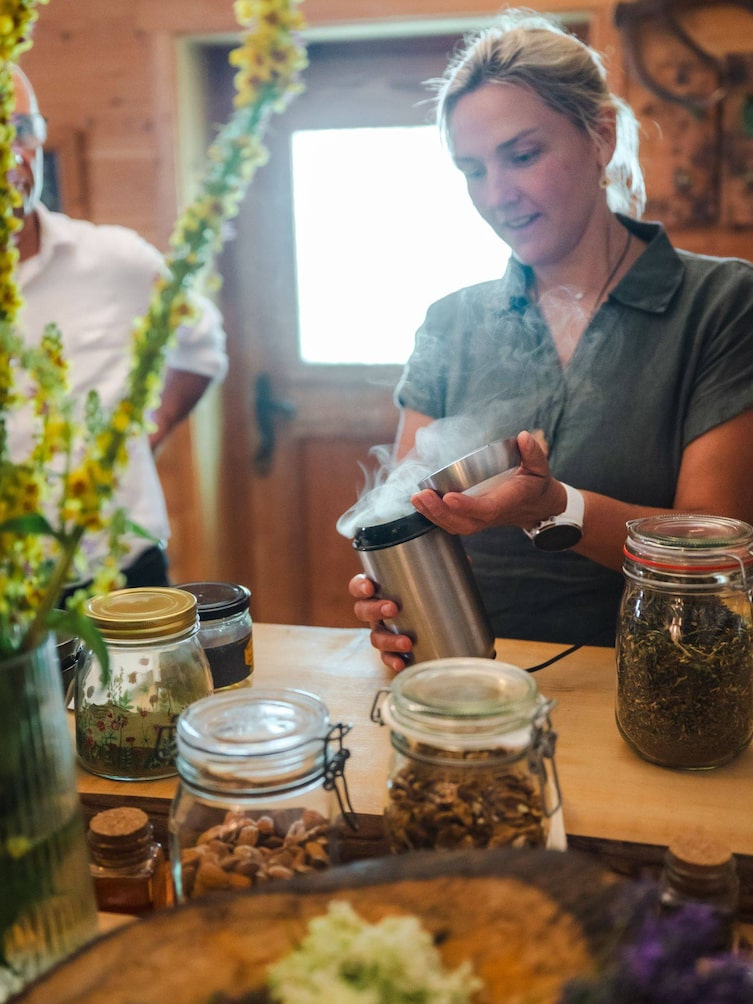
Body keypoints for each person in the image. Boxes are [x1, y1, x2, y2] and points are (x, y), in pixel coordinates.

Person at [349, 8, 753, 671]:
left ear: (600, 135)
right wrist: (392, 598)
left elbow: (716, 549)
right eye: (471, 170)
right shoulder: (450, 322)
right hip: (470, 680)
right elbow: (407, 512)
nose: (497, 195)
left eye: (522, 155)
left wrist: (556, 507)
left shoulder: (721, 303)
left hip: (658, 682)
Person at [7, 64, 228, 588]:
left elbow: (202, 344)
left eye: (21, 129)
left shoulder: (117, 260)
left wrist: (150, 430)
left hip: (120, 567)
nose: (12, 155)